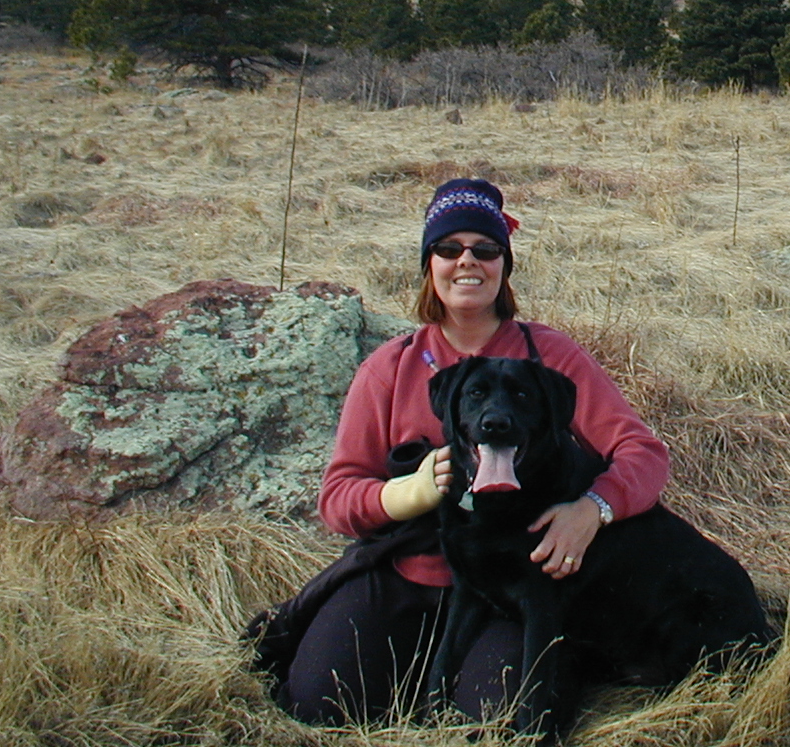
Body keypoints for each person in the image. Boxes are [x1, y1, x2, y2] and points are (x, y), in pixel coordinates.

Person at [279, 178, 670, 724]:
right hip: (404, 573)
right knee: (318, 700)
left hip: (513, 590)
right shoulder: (390, 368)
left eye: (485, 249)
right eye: (448, 248)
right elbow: (338, 499)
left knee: (496, 718)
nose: (467, 261)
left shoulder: (550, 356)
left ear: (504, 266)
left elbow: (643, 454)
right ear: (429, 265)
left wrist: (592, 510)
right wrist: (408, 493)